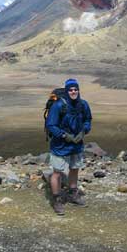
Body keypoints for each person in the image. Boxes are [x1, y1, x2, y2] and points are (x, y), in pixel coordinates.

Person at [46, 78, 92, 215]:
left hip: (76, 144)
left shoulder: (83, 104)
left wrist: (84, 131)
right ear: (67, 91)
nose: (73, 92)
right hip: (60, 145)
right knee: (57, 172)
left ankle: (73, 194)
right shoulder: (59, 105)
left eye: (75, 89)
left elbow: (87, 120)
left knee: (74, 168)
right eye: (71, 90)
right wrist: (64, 135)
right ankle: (57, 200)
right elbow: (51, 125)